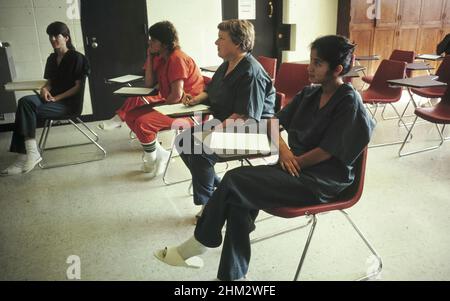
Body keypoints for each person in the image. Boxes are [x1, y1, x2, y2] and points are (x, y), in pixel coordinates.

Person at [154, 35, 375, 281]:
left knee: (235, 179)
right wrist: (285, 151)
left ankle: (198, 244)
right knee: (239, 199)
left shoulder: (348, 100)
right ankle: (232, 277)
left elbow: (329, 151)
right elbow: (272, 123)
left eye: (318, 63)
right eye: (311, 61)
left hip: (323, 181)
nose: (310, 68)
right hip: (294, 169)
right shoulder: (309, 94)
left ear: (338, 69)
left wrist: (295, 161)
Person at [175, 19, 276, 219]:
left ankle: (209, 205)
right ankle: (223, 192)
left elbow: (244, 115)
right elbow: (211, 90)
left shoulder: (250, 72)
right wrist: (195, 100)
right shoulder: (227, 65)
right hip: (229, 126)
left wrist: (212, 132)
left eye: (221, 38)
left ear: (238, 43)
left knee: (200, 150)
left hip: (255, 133)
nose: (216, 42)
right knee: (183, 141)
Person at [99, 21, 204, 177]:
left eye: (153, 40)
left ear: (164, 43)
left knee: (143, 122)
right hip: (175, 104)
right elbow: (149, 83)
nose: (149, 42)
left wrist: (156, 109)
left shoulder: (177, 58)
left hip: (189, 111)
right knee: (130, 115)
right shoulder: (162, 58)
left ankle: (152, 157)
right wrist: (149, 56)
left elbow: (176, 96)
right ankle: (160, 154)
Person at [1, 21, 89, 176]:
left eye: (56, 36)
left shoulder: (77, 58)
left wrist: (57, 97)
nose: (53, 39)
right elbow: (50, 82)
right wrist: (44, 89)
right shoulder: (51, 58)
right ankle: (27, 154)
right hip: (52, 99)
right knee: (24, 102)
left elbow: (77, 87)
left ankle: (27, 155)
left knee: (26, 109)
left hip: (68, 104)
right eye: (50, 36)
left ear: (66, 38)